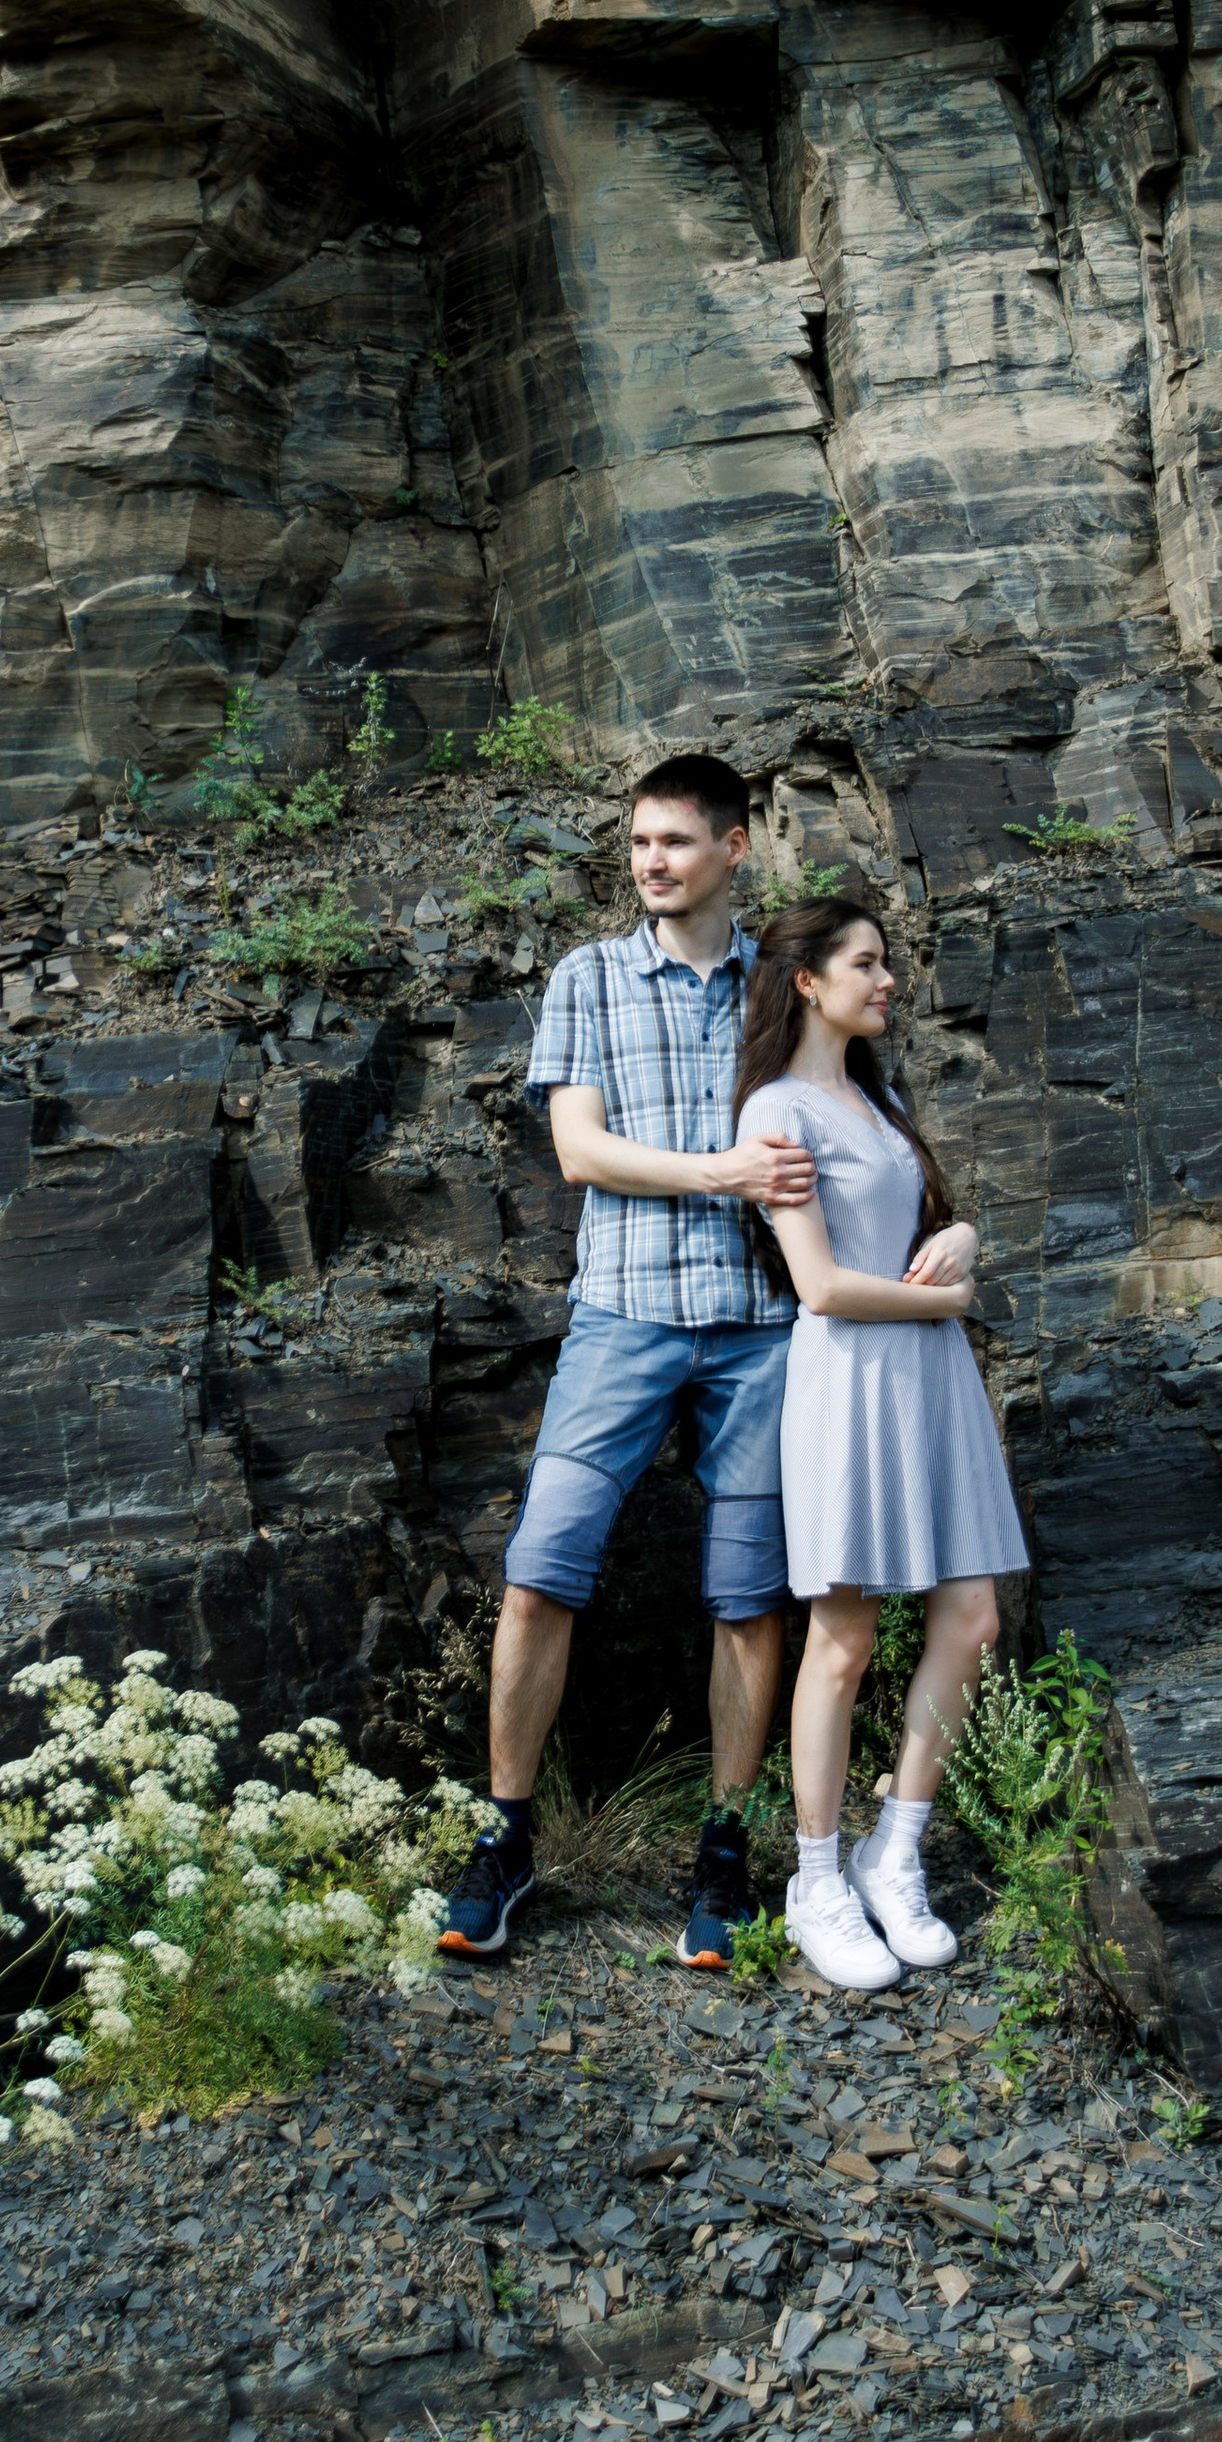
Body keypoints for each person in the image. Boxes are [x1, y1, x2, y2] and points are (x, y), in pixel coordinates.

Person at [437, 752, 815, 1972]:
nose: (651, 862)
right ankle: (505, 1840)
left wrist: (944, 1227)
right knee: (542, 1570)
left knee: (750, 1596)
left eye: (675, 842)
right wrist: (723, 1174)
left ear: (734, 848)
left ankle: (722, 1847)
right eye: (640, 843)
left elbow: (866, 1127)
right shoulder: (588, 975)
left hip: (765, 1326)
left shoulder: (785, 986)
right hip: (622, 1317)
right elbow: (581, 1151)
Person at [731, 896, 1028, 1991]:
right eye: (866, 962)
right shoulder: (775, 1110)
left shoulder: (878, 1095)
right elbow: (818, 1284)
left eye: (886, 962)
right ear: (807, 979)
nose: (887, 978)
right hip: (853, 1379)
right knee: (842, 1642)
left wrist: (962, 1232)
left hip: (926, 1381)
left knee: (973, 1614)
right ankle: (814, 1880)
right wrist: (953, 1304)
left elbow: (921, 1234)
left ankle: (891, 1850)